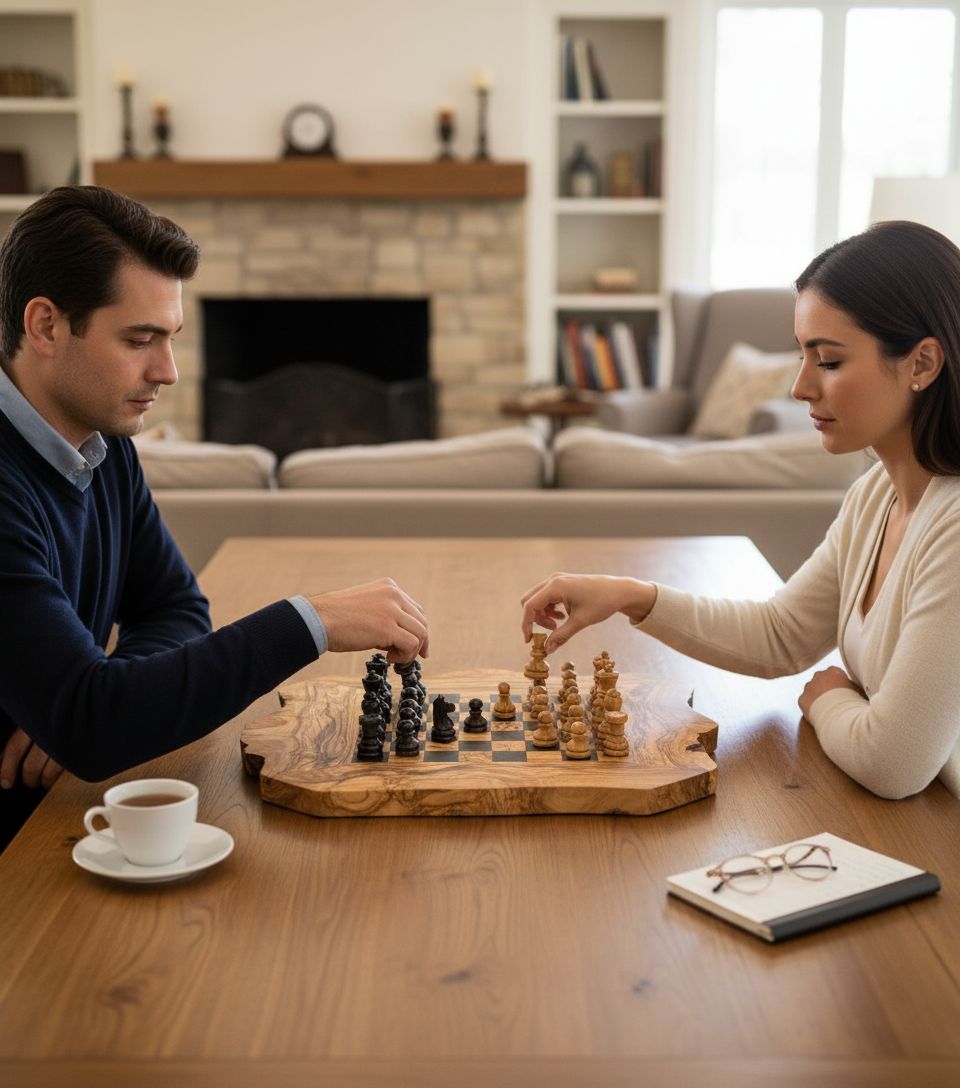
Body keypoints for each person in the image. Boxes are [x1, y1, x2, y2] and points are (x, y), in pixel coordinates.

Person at [0, 186, 429, 849]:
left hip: (59, 811)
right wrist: (310, 622)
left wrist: (78, 706)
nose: (167, 371)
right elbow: (91, 725)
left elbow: (174, 609)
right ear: (45, 325)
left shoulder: (104, 445)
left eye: (170, 338)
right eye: (139, 340)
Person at [521, 220, 960, 801]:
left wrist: (827, 697)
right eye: (802, 357)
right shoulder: (876, 496)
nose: (801, 387)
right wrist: (631, 595)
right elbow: (781, 636)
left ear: (922, 364)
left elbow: (892, 763)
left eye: (827, 361)